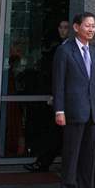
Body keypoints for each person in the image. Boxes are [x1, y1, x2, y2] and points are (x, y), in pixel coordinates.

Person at [53, 13, 95, 188]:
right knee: (71, 158)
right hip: (73, 112)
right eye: (87, 26)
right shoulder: (65, 51)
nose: (91, 29)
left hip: (93, 113)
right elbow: (58, 82)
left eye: (93, 26)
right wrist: (59, 110)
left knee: (88, 159)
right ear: (76, 27)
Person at [24, 19, 70, 172]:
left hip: (68, 98)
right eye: (60, 27)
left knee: (57, 133)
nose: (63, 30)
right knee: (55, 132)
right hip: (58, 96)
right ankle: (44, 161)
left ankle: (44, 162)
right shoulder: (57, 48)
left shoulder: (70, 48)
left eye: (66, 27)